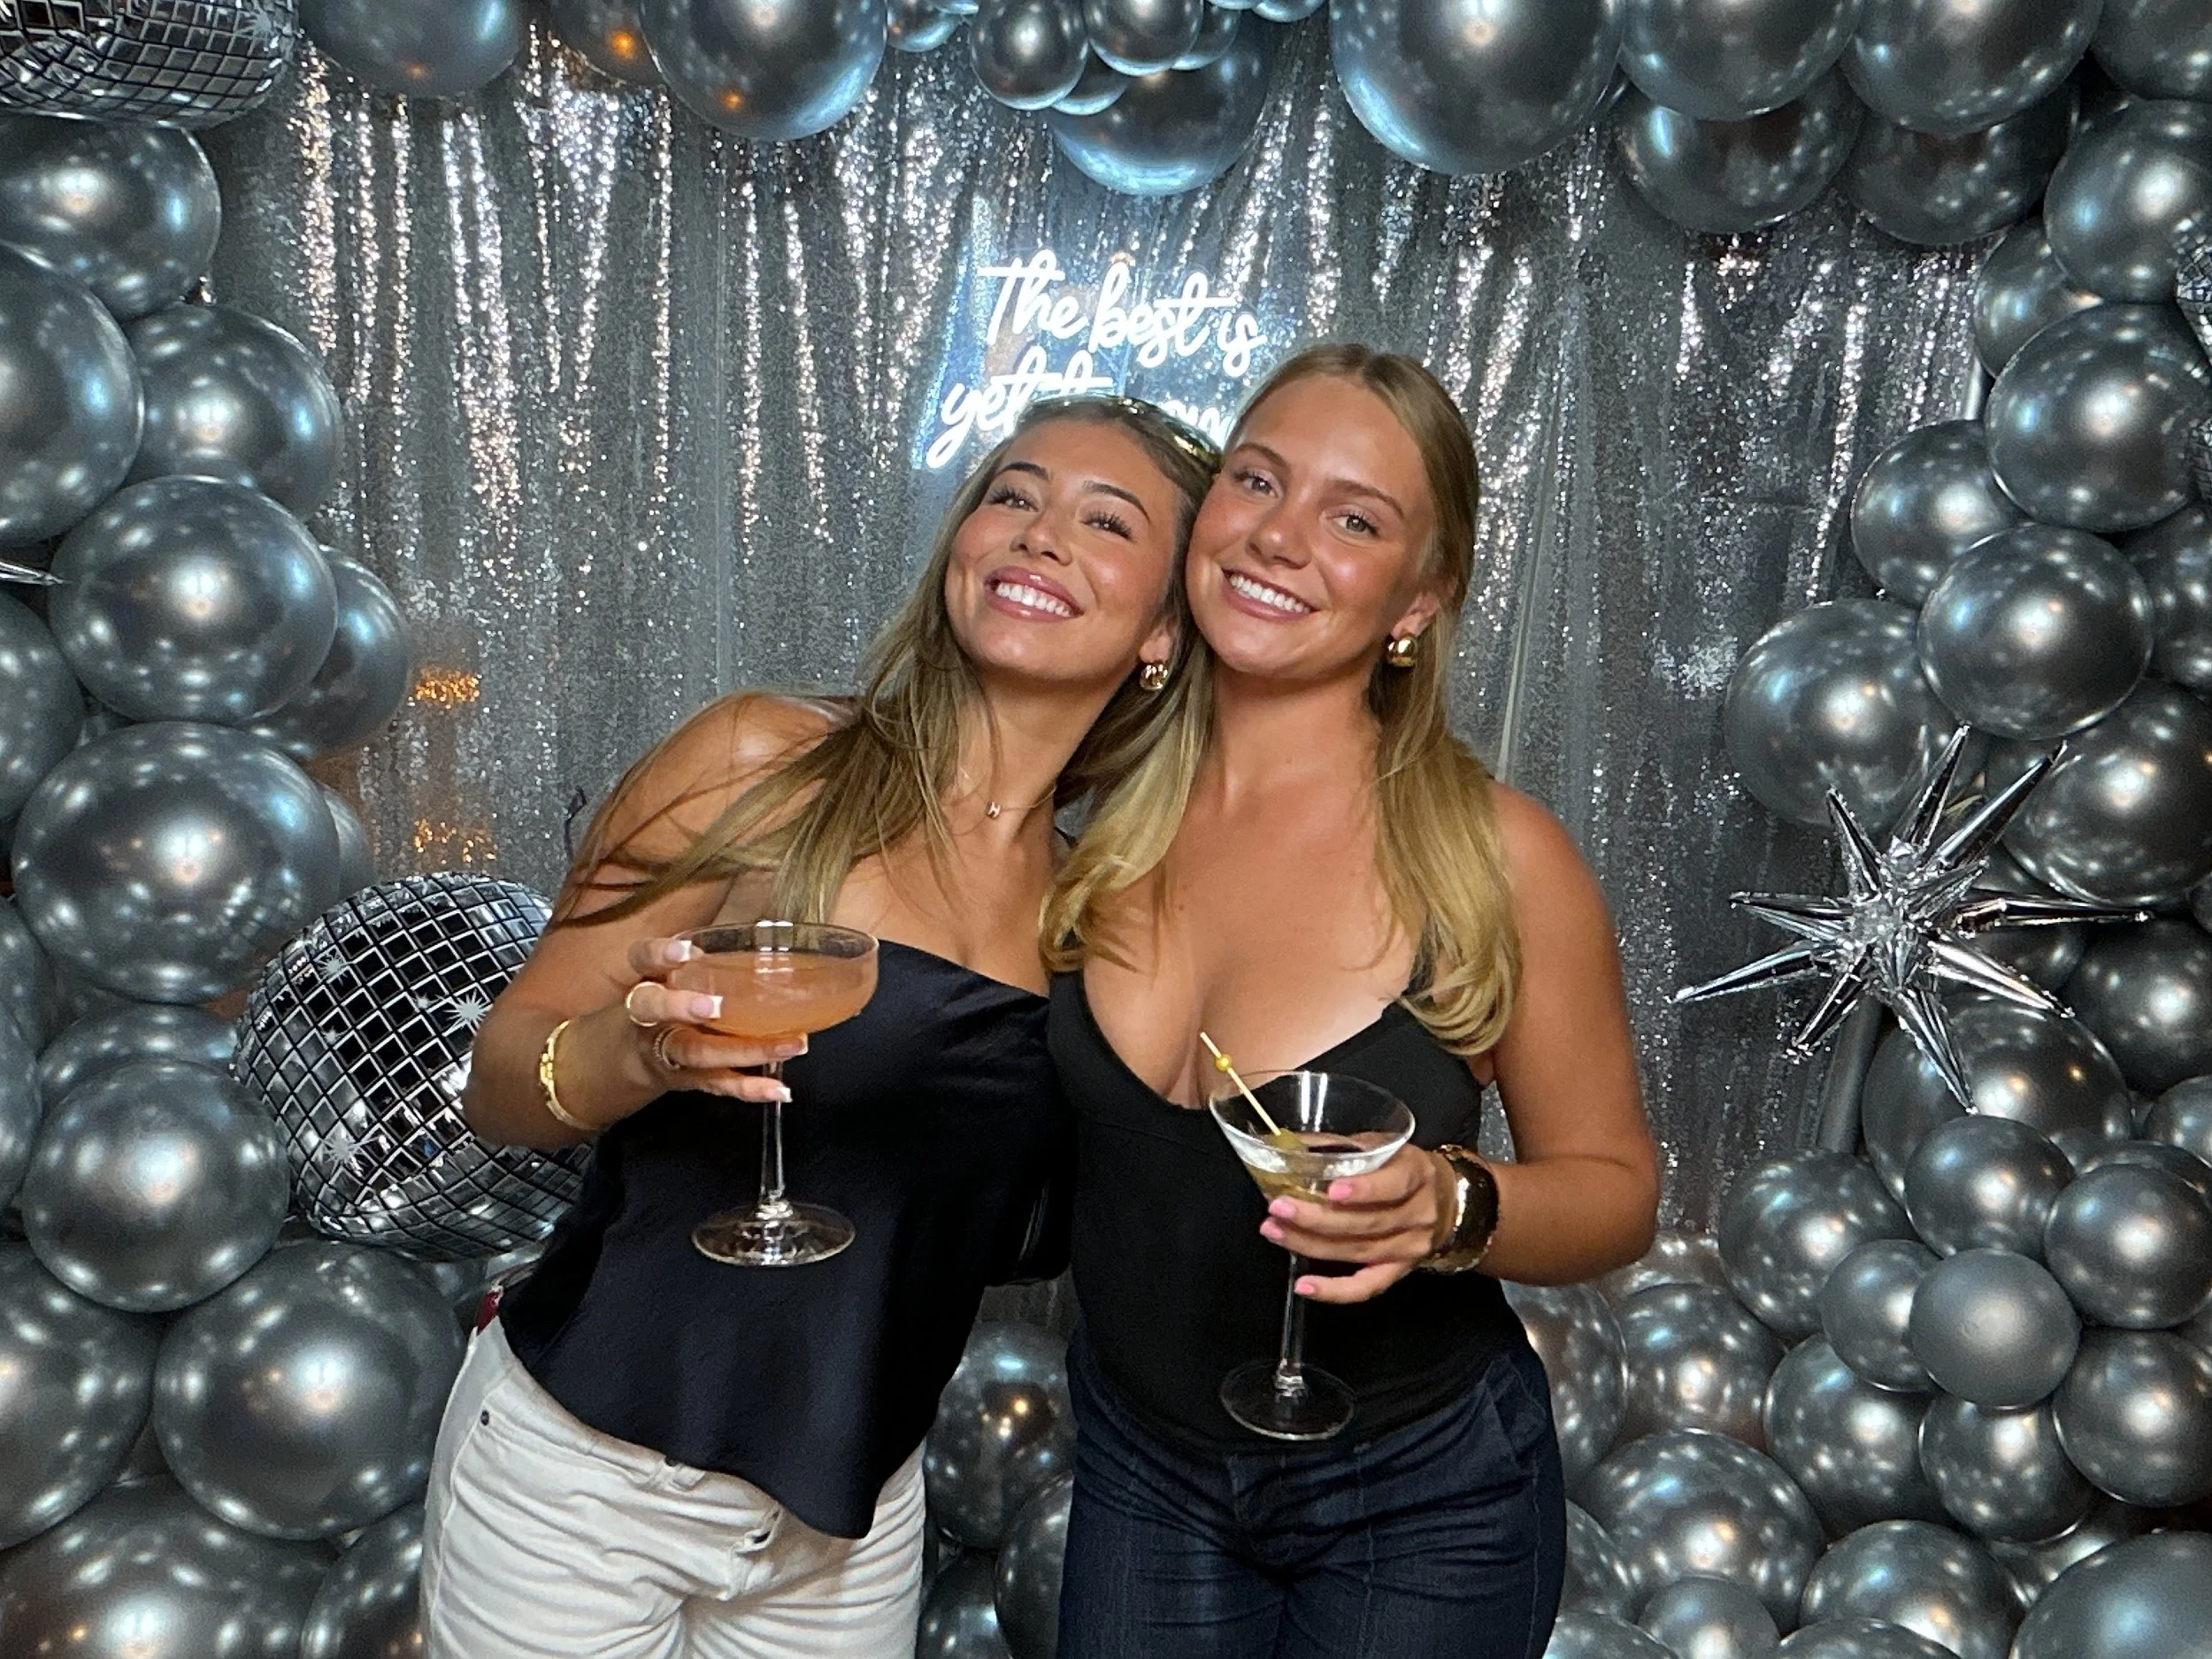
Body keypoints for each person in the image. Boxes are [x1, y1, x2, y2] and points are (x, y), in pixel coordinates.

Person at [418, 395, 1218, 1659]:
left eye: (1105, 521)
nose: (1040, 533)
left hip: (849, 1525)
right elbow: (497, 1081)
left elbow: (1037, 1231)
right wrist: (634, 1052)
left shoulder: (1103, 922)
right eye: (1012, 496)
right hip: (581, 1484)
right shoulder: (760, 760)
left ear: (1165, 628)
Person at [1044, 344, 1662, 1659]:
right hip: (1141, 1464)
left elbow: (1618, 1192)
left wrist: (1453, 1205)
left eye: (1356, 519)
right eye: (1257, 480)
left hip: (1419, 1494)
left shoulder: (1496, 858)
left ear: (1418, 599)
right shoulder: (1090, 806)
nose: (1280, 537)